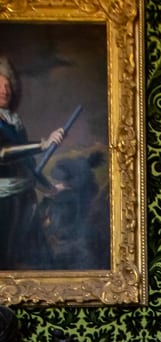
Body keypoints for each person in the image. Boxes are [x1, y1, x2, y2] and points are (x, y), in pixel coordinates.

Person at [0, 56, 65, 269]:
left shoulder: (15, 122)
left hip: (25, 197)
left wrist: (48, 187)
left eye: (8, 85)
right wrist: (42, 145)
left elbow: (27, 164)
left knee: (34, 256)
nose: (5, 90)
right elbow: (3, 153)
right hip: (4, 202)